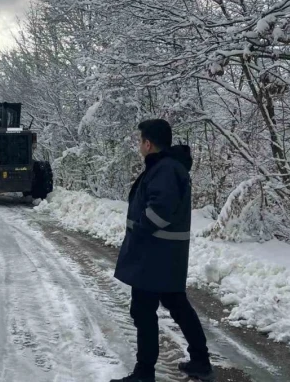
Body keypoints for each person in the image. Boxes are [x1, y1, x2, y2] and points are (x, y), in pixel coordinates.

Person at [111, 119, 214, 382]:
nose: (139, 145)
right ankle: (200, 361)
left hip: (154, 255)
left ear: (148, 143)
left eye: (140, 141)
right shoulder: (167, 167)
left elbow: (160, 209)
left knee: (143, 311)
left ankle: (144, 372)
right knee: (177, 305)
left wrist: (141, 230)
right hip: (164, 255)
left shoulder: (165, 169)